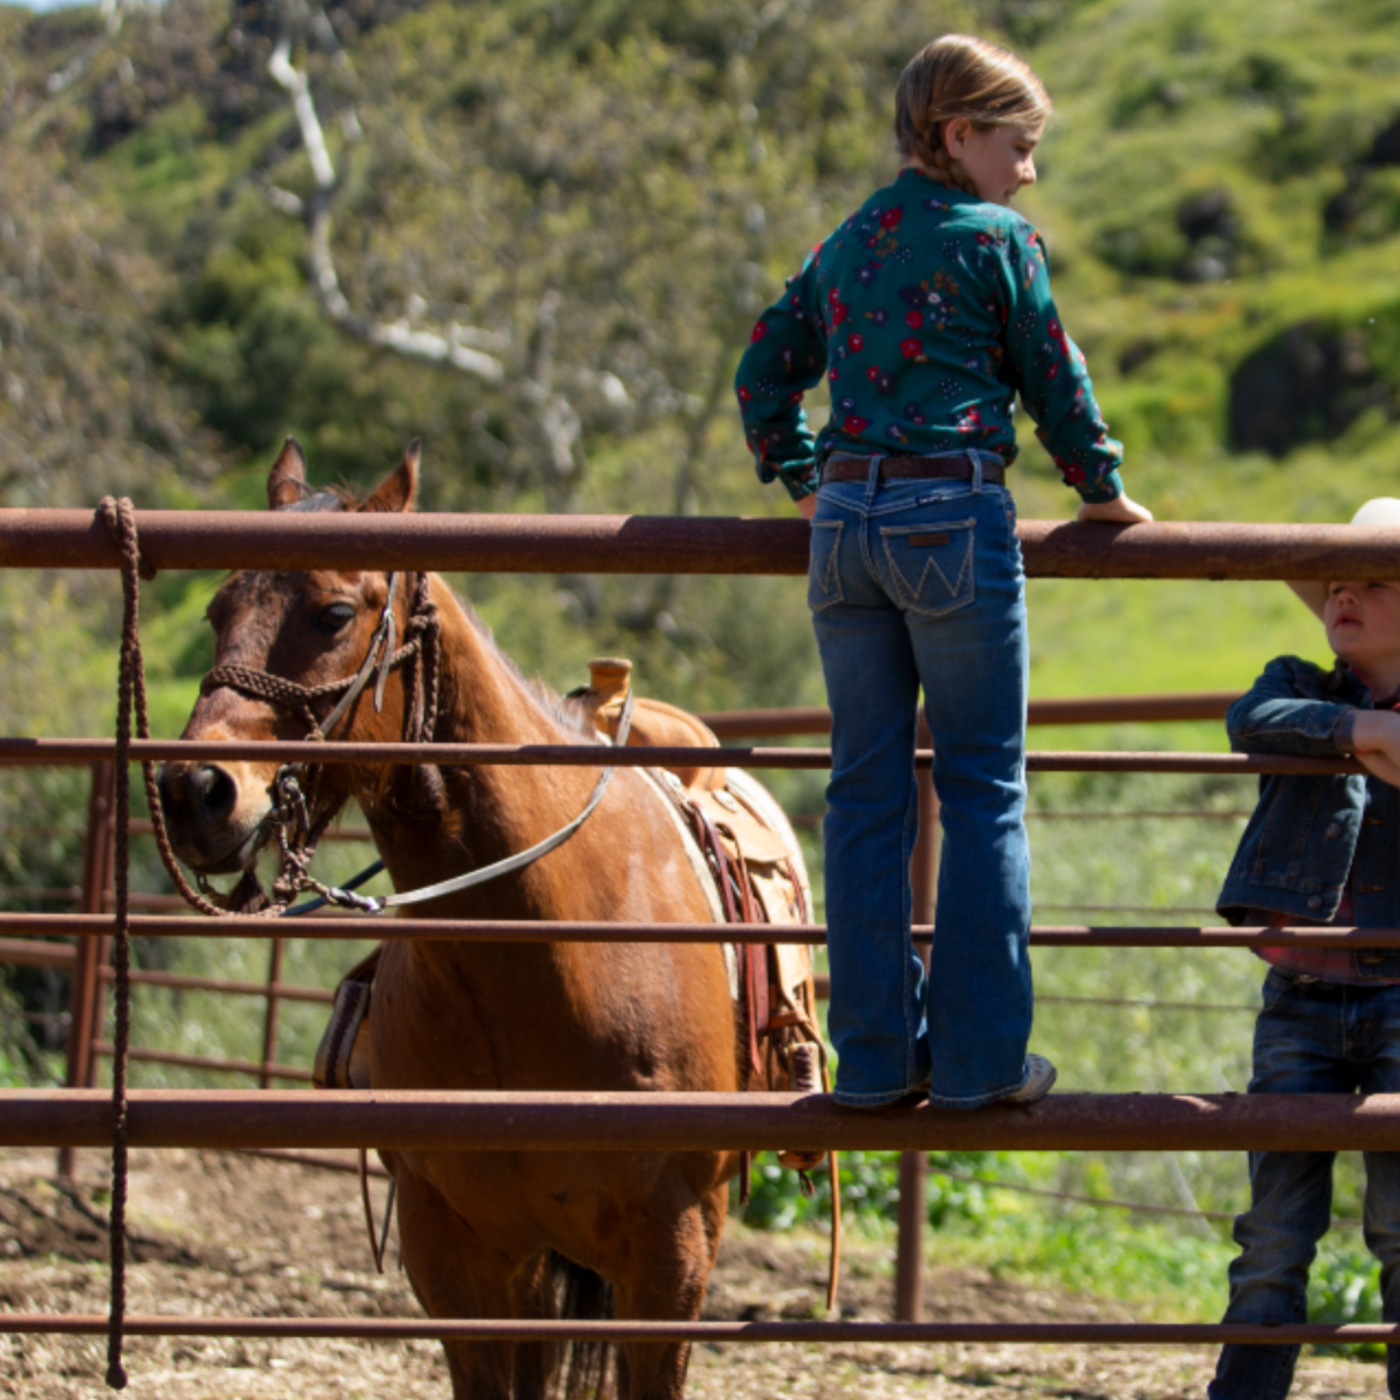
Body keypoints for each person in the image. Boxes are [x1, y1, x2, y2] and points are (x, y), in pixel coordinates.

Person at [734, 33, 1152, 1110]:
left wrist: (800, 478)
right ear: (956, 134)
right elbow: (1051, 377)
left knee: (865, 797)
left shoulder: (849, 239)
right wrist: (1099, 488)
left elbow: (761, 367)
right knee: (980, 790)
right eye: (1017, 145)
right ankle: (976, 1064)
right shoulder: (997, 238)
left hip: (845, 531)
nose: (1026, 170)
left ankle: (873, 1062)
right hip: (949, 517)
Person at [1210, 497, 1400, 1400]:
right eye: (1335, 581)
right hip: (1302, 996)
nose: (1344, 594)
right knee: (1276, 1230)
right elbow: (1252, 718)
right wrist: (1361, 731)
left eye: (1373, 579)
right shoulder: (1303, 683)